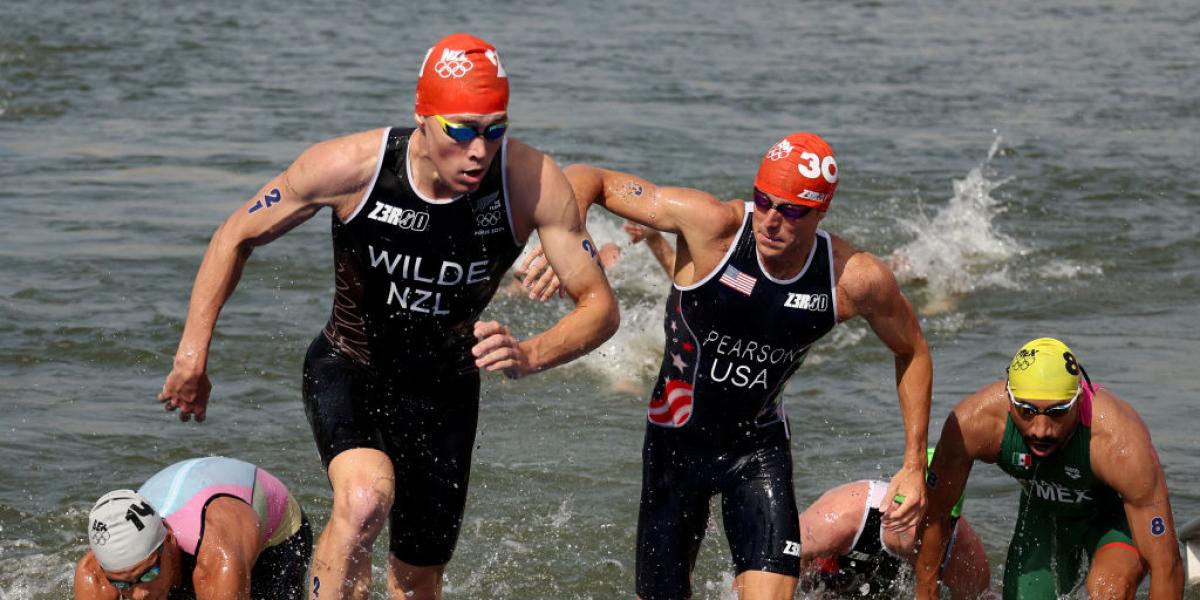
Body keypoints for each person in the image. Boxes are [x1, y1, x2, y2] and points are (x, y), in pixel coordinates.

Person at [156, 33, 619, 600]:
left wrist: (531, 353)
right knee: (362, 501)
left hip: (445, 391)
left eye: (496, 129)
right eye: (463, 130)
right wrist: (191, 356)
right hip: (351, 365)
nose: (480, 150)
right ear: (423, 115)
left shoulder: (529, 183)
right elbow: (235, 235)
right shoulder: (349, 167)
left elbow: (600, 307)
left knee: (416, 580)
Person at [565, 132, 932, 599]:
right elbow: (588, 179)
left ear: (821, 212)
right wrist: (569, 246)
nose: (771, 220)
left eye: (791, 211)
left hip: (756, 452)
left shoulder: (852, 279)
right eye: (763, 201)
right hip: (675, 446)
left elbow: (913, 349)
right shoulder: (712, 226)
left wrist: (914, 464)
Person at [915, 337, 1184, 599]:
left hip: (1111, 519)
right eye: (1026, 411)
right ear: (1009, 398)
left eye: (1057, 412)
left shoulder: (1119, 442)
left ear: (1078, 401)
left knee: (1109, 591)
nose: (1041, 430)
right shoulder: (974, 423)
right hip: (1042, 513)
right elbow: (936, 515)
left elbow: (1166, 565)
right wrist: (926, 593)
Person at [74, 456, 311, 599]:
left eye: (148, 573)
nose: (139, 594)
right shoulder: (94, 576)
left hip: (276, 535)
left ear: (169, 540)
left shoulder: (219, 562)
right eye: (122, 584)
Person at [798, 450, 990, 599]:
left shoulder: (964, 556)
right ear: (896, 503)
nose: (929, 536)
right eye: (922, 519)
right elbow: (775, 561)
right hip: (826, 580)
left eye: (940, 525)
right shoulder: (842, 516)